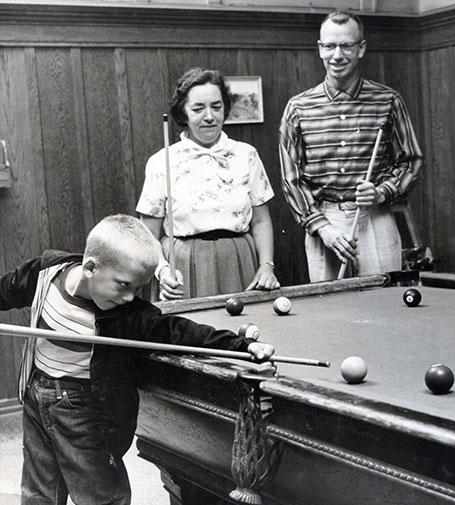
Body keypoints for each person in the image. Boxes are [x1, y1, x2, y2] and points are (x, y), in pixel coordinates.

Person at [0, 214, 274, 505]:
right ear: (91, 267)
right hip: (35, 397)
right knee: (39, 492)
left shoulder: (127, 313)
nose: (131, 297)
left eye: (138, 289)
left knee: (101, 495)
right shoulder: (45, 272)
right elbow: (5, 289)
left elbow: (178, 332)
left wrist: (241, 346)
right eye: (124, 285)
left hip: (84, 411)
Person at [279, 10, 423, 282]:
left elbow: (411, 161)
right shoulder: (297, 108)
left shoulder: (388, 100)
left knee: (383, 308)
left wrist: (382, 192)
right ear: (320, 49)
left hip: (374, 218)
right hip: (325, 222)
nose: (337, 55)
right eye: (330, 46)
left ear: (361, 48)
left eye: (346, 45)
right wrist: (323, 227)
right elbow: (292, 179)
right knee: (331, 316)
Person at [137, 68, 280, 300]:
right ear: (183, 113)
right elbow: (148, 233)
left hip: (238, 258)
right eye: (198, 108)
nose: (209, 116)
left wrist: (266, 266)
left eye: (216, 106)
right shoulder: (161, 161)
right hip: (184, 264)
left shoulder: (246, 154)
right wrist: (162, 271)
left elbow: (261, 219)